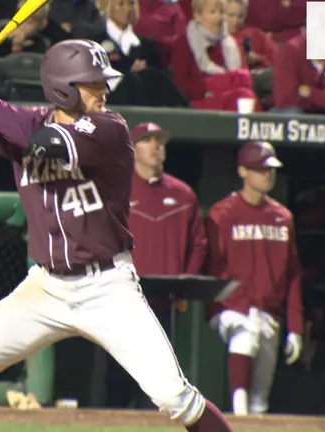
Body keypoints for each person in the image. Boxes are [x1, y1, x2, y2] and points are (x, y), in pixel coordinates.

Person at [0, 39, 233, 431]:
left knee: (174, 398)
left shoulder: (108, 128)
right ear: (63, 88)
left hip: (107, 287)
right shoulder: (23, 125)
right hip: (44, 288)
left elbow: (43, 144)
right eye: (93, 83)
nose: (104, 90)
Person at [107, 122, 207, 409]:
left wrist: (186, 280)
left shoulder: (184, 195)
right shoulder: (116, 189)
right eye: (147, 140)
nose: (155, 146)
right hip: (122, 298)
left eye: (160, 142)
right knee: (119, 375)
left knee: (160, 378)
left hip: (166, 302)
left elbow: (199, 244)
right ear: (133, 149)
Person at [205, 141, 304, 416]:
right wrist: (220, 306)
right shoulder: (222, 213)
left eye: (270, 169)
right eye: (260, 169)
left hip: (268, 312)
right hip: (231, 308)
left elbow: (293, 273)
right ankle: (238, 415)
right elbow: (212, 267)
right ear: (243, 171)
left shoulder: (282, 217)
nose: (267, 175)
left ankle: (249, 417)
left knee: (260, 399)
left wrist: (295, 326)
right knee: (244, 338)